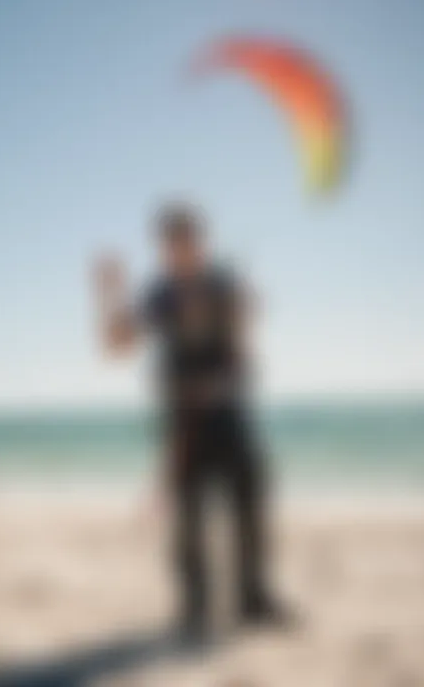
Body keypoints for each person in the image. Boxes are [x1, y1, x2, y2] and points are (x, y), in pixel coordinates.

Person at [94, 201, 283, 639]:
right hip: (182, 418)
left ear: (202, 241)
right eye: (172, 242)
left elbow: (245, 347)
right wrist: (108, 292)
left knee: (251, 503)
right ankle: (195, 608)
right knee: (189, 517)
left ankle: (253, 599)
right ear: (163, 248)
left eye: (189, 239)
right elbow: (117, 345)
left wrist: (245, 319)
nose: (181, 249)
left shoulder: (224, 283)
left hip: (229, 411)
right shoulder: (159, 294)